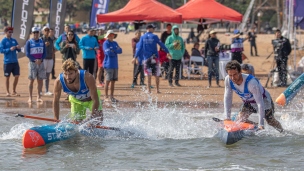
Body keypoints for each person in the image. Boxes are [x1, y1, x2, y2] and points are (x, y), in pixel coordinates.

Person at [224, 60, 284, 133]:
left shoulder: (251, 83)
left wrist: (261, 125)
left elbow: (260, 103)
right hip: (249, 101)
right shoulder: (228, 80)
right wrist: (227, 117)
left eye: (235, 74)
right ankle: (255, 126)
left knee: (270, 121)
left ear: (240, 72)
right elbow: (228, 98)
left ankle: (282, 131)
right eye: (230, 75)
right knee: (240, 120)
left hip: (264, 100)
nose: (233, 78)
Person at [133, 24, 170, 93]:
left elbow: (139, 48)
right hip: (154, 58)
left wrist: (135, 57)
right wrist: (167, 51)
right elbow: (161, 44)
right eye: (153, 28)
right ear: (150, 28)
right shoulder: (155, 36)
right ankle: (157, 89)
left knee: (148, 75)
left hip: (146, 58)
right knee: (156, 74)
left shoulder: (142, 37)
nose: (154, 29)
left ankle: (149, 90)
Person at [25, 27, 46, 103]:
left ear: (39, 33)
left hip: (41, 63)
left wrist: (41, 59)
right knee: (31, 81)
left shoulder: (42, 41)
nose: (36, 34)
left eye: (37, 32)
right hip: (32, 63)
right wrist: (34, 60)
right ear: (32, 33)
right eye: (34, 32)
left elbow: (44, 53)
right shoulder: (29, 42)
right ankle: (30, 97)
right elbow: (27, 53)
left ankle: (38, 97)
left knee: (40, 81)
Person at [0, 27, 21, 97]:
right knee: (7, 77)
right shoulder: (3, 41)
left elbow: (19, 50)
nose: (11, 33)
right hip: (7, 62)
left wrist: (18, 48)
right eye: (9, 32)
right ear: (6, 32)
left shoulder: (14, 40)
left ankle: (14, 91)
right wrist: (9, 49)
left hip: (15, 61)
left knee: (17, 76)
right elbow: (1, 50)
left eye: (11, 32)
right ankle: (7, 91)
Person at [103, 30, 122, 102]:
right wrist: (115, 51)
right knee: (107, 81)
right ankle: (106, 96)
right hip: (108, 64)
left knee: (113, 81)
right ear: (108, 35)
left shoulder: (115, 43)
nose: (112, 36)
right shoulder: (106, 43)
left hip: (115, 65)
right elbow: (108, 53)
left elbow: (120, 50)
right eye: (110, 34)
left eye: (113, 35)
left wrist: (113, 50)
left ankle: (111, 96)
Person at [41, 26, 55, 96]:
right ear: (43, 31)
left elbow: (53, 48)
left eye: (48, 30)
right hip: (43, 59)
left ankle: (46, 90)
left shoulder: (51, 39)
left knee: (47, 75)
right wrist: (44, 45)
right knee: (41, 75)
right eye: (45, 30)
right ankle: (40, 90)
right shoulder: (41, 39)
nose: (47, 32)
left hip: (50, 58)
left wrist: (53, 54)